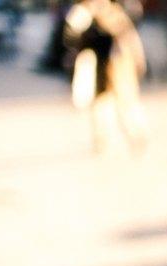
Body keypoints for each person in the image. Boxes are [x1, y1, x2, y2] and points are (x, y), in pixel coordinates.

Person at [64, 0, 147, 152]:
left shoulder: (116, 11)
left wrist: (137, 60)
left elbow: (129, 37)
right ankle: (101, 140)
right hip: (99, 65)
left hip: (119, 64)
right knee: (100, 104)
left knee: (124, 102)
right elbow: (70, 37)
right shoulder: (84, 12)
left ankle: (134, 136)